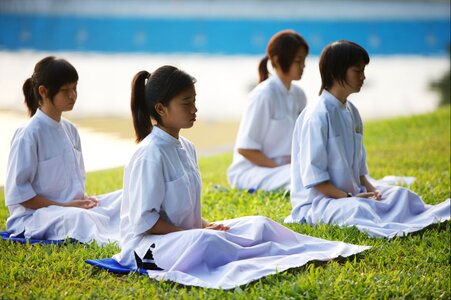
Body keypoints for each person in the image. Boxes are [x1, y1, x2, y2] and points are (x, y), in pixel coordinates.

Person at [112, 65, 369, 289]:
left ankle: (299, 250)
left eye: (194, 100)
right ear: (161, 108)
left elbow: (182, 210)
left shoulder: (186, 147)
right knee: (209, 241)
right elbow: (146, 222)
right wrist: (195, 230)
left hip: (185, 235)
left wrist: (203, 223)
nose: (195, 108)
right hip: (147, 248)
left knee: (259, 223)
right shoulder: (149, 154)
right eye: (186, 102)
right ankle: (266, 255)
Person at [285, 40, 450, 238]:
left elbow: (360, 173)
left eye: (363, 70)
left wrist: (374, 192)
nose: (363, 77)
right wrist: (349, 197)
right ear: (336, 72)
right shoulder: (317, 115)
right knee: (358, 210)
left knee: (401, 195)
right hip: (320, 202)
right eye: (357, 71)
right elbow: (316, 180)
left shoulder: (351, 111)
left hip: (353, 194)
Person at [4, 56, 122, 244]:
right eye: (65, 90)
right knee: (80, 219)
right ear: (43, 91)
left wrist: (83, 201)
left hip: (72, 208)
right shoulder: (28, 135)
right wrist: (66, 206)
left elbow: (74, 185)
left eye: (74, 88)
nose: (73, 95)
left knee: (124, 197)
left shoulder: (71, 130)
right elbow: (20, 196)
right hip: (37, 216)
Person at [227, 30, 308, 191]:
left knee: (320, 174)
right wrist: (279, 168)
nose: (303, 66)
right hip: (253, 171)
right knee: (304, 180)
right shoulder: (263, 95)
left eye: (304, 60)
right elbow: (245, 148)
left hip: (284, 169)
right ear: (277, 61)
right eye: (298, 61)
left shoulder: (299, 95)